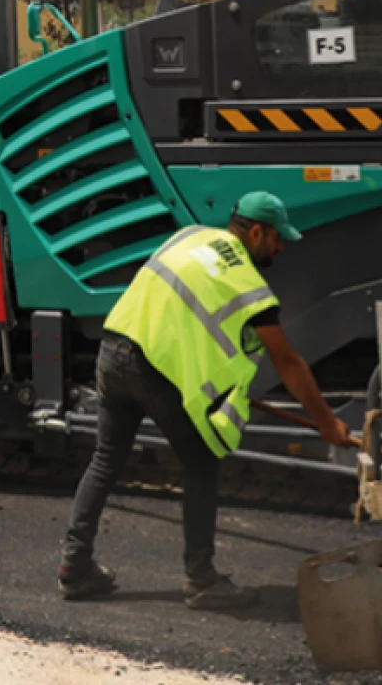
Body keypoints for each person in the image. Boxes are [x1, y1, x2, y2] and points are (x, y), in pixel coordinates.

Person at [58, 191, 355, 610]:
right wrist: (327, 423)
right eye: (277, 239)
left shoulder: (189, 237)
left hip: (113, 351)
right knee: (201, 462)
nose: (281, 246)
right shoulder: (248, 286)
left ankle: (75, 566)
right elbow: (288, 363)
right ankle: (201, 580)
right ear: (256, 231)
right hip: (151, 370)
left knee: (106, 458)